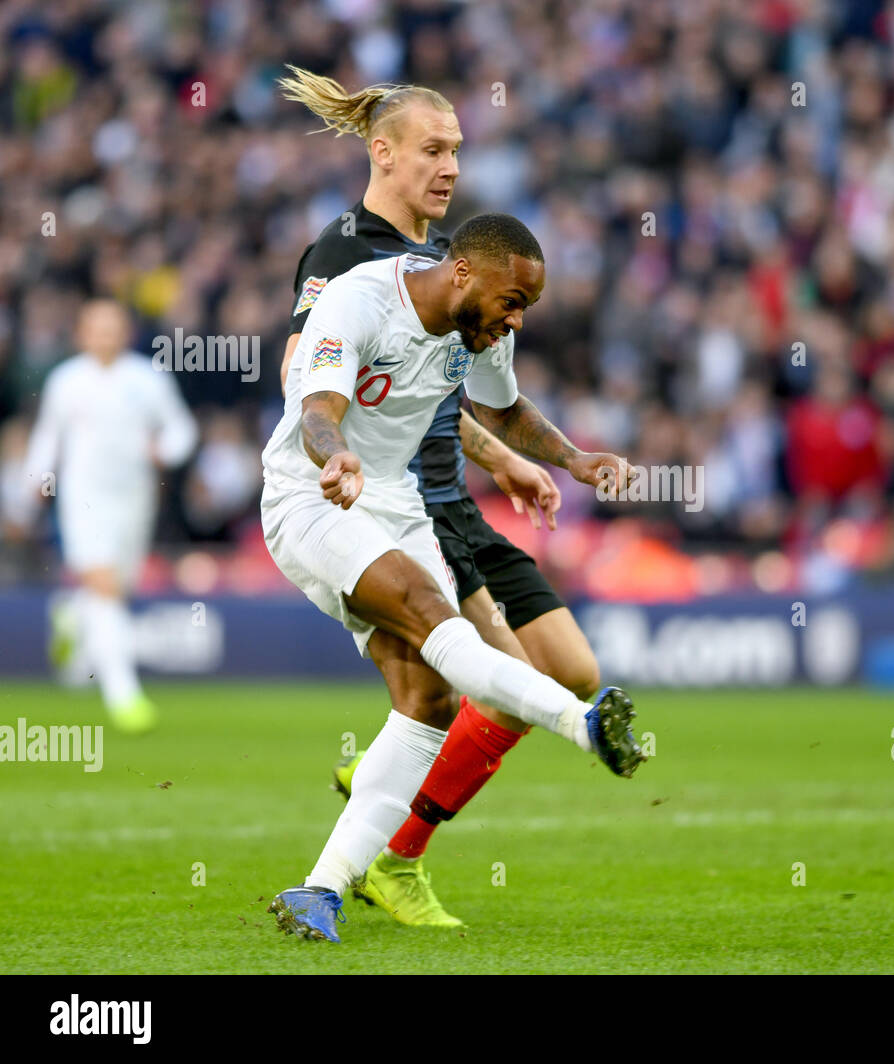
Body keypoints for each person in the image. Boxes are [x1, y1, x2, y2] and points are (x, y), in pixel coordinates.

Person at [277, 66, 609, 929]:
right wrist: (336, 448)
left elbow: (466, 387)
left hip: (430, 499)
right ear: (381, 153)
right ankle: (400, 848)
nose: (451, 166)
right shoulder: (348, 257)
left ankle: (359, 849)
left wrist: (529, 458)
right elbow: (307, 375)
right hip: (355, 492)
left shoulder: (464, 268)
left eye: (458, 150)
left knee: (518, 674)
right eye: (434, 149)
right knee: (469, 664)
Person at [20, 300, 197, 732]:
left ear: (126, 332)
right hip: (83, 498)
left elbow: (181, 430)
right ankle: (123, 693)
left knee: (117, 589)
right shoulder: (66, 380)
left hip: (134, 497)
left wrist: (165, 450)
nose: (105, 336)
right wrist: (33, 484)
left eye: (113, 328)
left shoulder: (147, 378)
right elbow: (48, 437)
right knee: (104, 583)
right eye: (96, 328)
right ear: (81, 333)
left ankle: (73, 617)